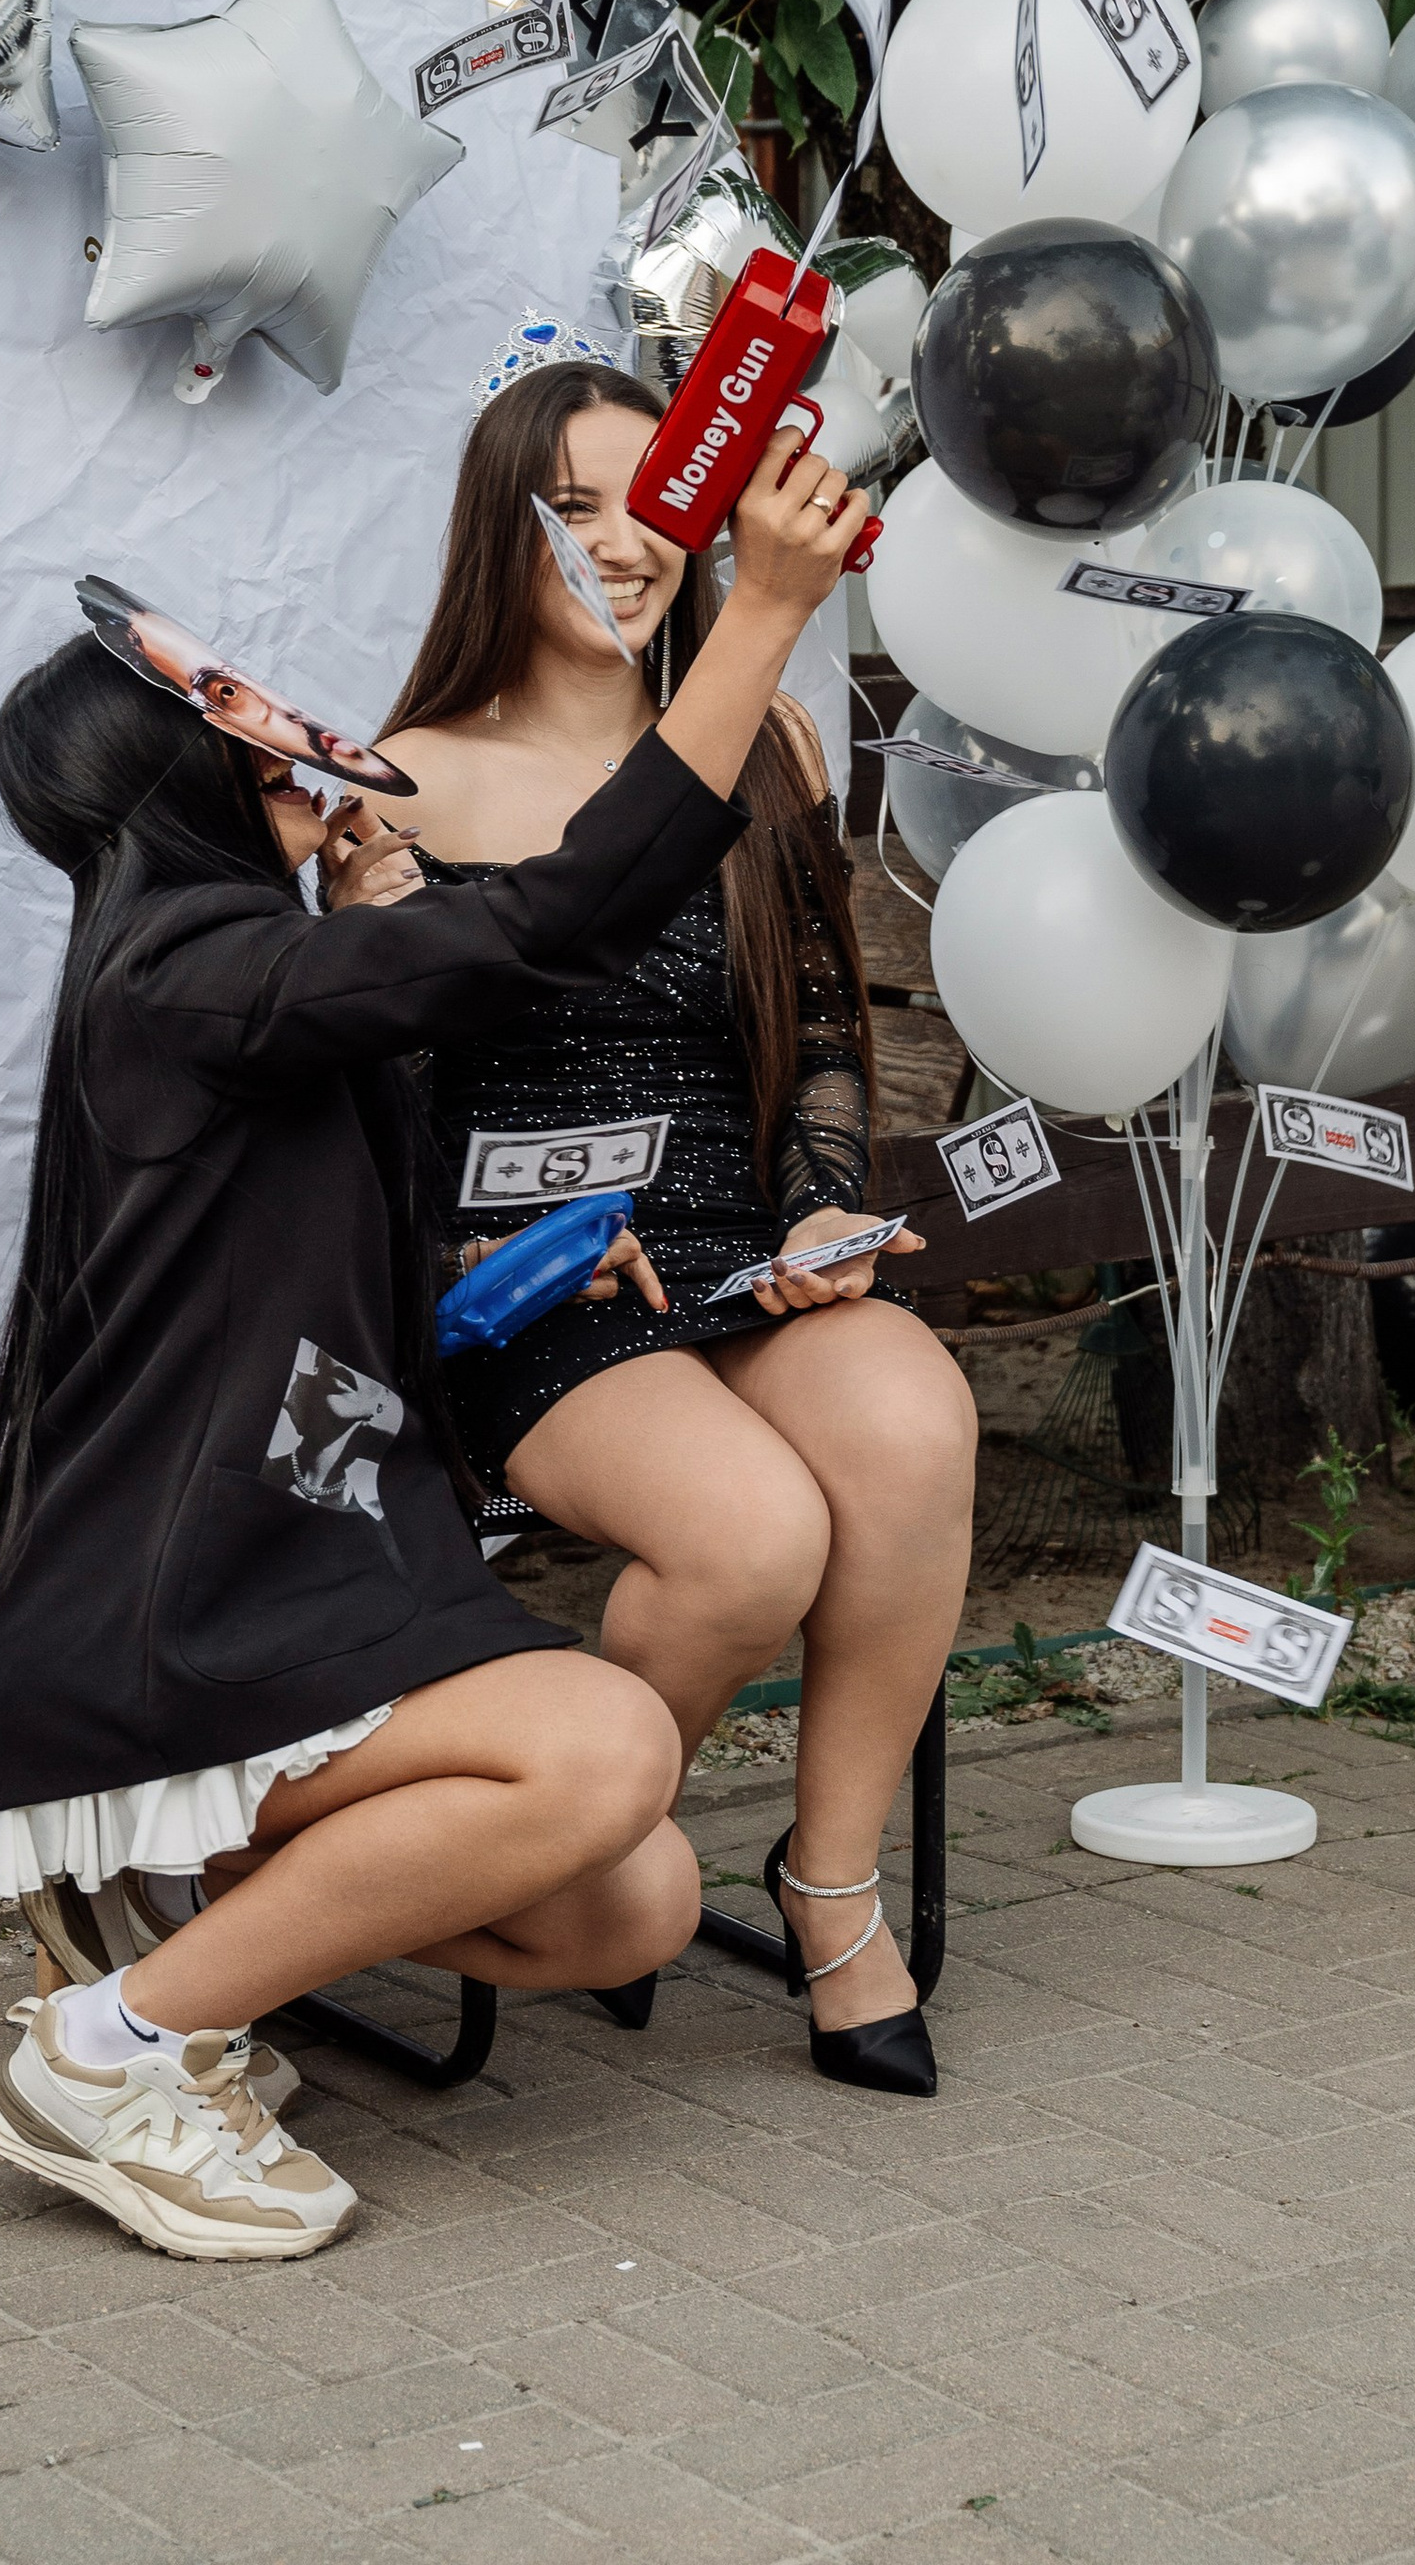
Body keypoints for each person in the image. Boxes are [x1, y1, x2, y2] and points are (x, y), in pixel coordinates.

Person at [0, 430, 870, 2260]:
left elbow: (319, 1274)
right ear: (170, 771)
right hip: (178, 1612)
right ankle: (108, 2053)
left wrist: (504, 1275)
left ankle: (174, 1915)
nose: (274, 706)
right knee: (609, 1750)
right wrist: (763, 610)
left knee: (635, 1904)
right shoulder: (186, 974)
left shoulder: (256, 976)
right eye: (219, 695)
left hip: (307, 1576)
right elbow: (560, 920)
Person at [379, 358, 979, 2098]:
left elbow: (821, 1039)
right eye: (568, 504)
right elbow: (373, 1111)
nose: (622, 538)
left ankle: (829, 1888)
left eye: (655, 495)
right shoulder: (400, 780)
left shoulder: (764, 739)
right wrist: (462, 1266)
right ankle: (585, 1850)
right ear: (500, 531)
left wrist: (818, 1216)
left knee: (913, 1419)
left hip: (734, 1246)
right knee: (746, 1539)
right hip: (537, 1280)